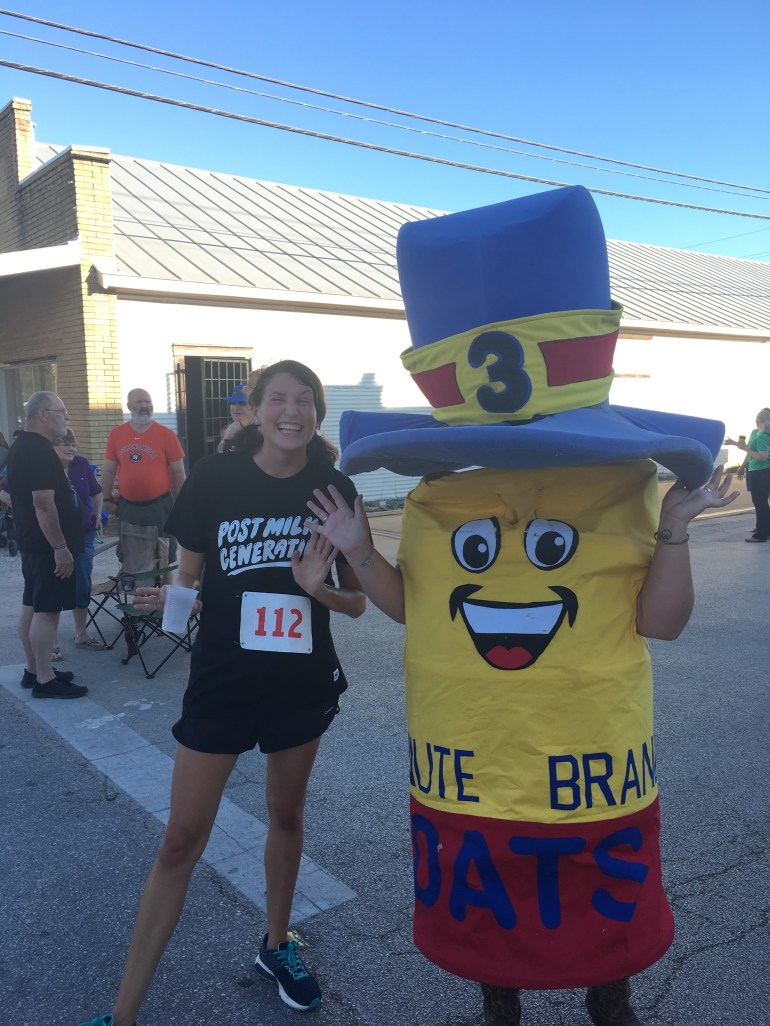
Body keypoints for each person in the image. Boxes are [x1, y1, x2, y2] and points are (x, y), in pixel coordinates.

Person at [307, 187, 738, 1026]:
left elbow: (663, 622)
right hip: (467, 760)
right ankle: (496, 1003)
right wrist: (361, 554)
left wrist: (677, 529)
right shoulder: (436, 501)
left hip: (590, 766)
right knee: (488, 921)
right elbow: (417, 613)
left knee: (599, 926)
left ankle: (607, 1000)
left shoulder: (622, 487)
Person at [77, 360, 366, 1026]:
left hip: (299, 684)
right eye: (279, 400)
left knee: (285, 815)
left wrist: (318, 587)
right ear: (255, 410)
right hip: (222, 682)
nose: (292, 411)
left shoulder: (334, 488)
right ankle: (121, 1015)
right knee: (180, 839)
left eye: (306, 401)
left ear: (318, 413)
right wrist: (164, 615)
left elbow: (356, 605)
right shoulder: (215, 478)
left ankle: (276, 945)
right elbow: (189, 581)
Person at [7, 392, 88, 699]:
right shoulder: (38, 450)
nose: (66, 417)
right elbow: (42, 503)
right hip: (46, 547)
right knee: (47, 611)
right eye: (61, 411)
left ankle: (34, 670)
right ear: (42, 414)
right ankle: (44, 680)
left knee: (33, 605)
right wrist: (60, 547)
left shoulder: (23, 446)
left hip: (33, 543)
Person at [100, 388, 186, 563]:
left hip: (159, 507)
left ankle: (163, 589)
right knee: (131, 554)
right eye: (140, 402)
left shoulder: (166, 435)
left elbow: (178, 472)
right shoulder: (117, 434)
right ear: (129, 406)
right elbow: (109, 470)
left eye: (148, 401)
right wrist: (106, 499)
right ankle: (135, 589)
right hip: (128, 508)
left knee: (163, 553)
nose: (145, 405)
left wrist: (182, 503)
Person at [53, 429, 105, 649]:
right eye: (64, 443)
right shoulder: (44, 468)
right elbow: (6, 492)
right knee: (52, 585)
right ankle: (51, 642)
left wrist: (97, 514)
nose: (70, 448)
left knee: (82, 582)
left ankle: (81, 634)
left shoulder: (82, 464)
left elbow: (97, 492)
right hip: (55, 538)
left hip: (84, 534)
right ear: (51, 447)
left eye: (73, 444)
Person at [726, 408, 770, 542]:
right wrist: (742, 465)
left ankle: (761, 535)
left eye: (757, 421)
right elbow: (749, 450)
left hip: (761, 471)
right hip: (756, 470)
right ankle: (763, 529)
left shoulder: (763, 435)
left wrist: (746, 449)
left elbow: (762, 457)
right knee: (761, 503)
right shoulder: (756, 433)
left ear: (760, 421)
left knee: (760, 503)